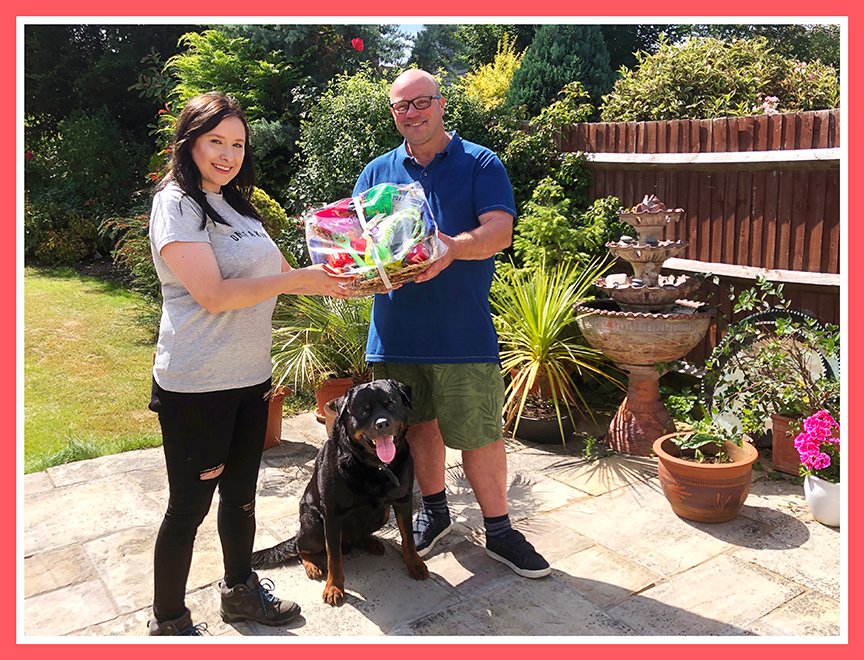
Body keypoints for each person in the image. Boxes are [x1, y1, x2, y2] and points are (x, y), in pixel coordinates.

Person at [147, 92, 353, 636]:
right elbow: (213, 294)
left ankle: (240, 593)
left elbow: (285, 274)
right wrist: (299, 279)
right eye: (216, 141)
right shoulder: (177, 203)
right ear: (188, 140)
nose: (227, 154)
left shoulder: (237, 205)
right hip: (197, 384)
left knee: (240, 497)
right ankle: (169, 622)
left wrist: (358, 276)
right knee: (189, 507)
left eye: (237, 143)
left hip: (249, 378)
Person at [353, 69, 550, 579]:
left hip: (462, 332)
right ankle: (435, 513)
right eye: (401, 107)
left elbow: (500, 232)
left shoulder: (480, 162)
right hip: (395, 331)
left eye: (420, 103)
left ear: (441, 104)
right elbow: (361, 244)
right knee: (418, 427)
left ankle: (500, 530)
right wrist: (352, 269)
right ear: (393, 113)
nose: (411, 114)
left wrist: (452, 248)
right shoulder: (376, 172)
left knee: (480, 433)